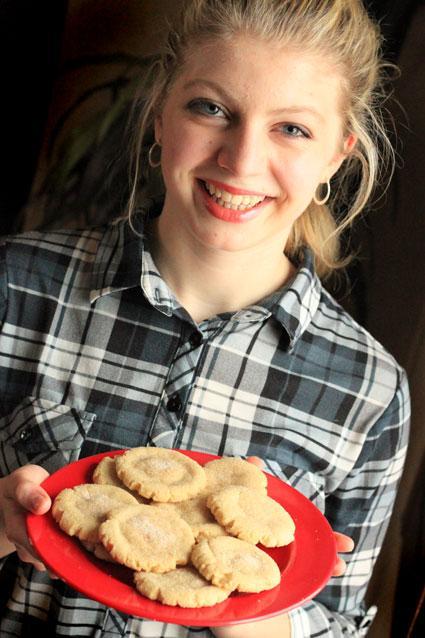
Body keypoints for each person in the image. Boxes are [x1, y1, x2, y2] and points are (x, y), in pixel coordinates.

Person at [0, 1, 410, 637]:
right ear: (161, 112)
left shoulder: (370, 391)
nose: (241, 161)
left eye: (293, 129)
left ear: (336, 155)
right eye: (212, 108)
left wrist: (256, 613)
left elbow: (338, 623)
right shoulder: (14, 286)